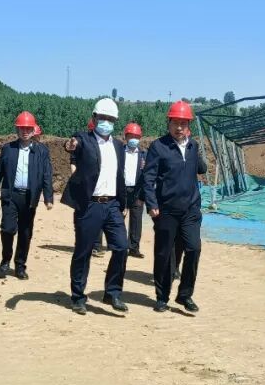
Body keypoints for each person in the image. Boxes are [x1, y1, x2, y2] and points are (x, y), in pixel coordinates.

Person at [62, 98, 129, 315]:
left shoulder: (118, 146)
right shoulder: (84, 139)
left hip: (112, 204)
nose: (106, 122)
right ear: (94, 118)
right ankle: (78, 297)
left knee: (121, 247)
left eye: (110, 119)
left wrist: (124, 203)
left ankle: (112, 292)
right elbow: (73, 144)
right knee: (83, 251)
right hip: (90, 205)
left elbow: (120, 176)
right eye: (102, 118)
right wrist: (70, 145)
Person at [142, 100, 206, 313]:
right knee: (164, 254)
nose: (179, 127)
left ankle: (185, 295)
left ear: (189, 125)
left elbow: (201, 169)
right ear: (168, 123)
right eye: (175, 123)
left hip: (190, 210)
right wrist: (151, 203)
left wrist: (197, 151)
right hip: (166, 210)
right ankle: (162, 297)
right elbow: (148, 177)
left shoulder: (193, 146)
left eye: (183, 123)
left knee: (194, 248)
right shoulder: (158, 147)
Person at [0, 111, 54, 279]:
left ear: (33, 130)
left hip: (30, 198)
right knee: (7, 229)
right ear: (17, 129)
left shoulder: (42, 151)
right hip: (11, 195)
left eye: (28, 128)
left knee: (25, 232)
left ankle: (20, 265)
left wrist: (48, 197)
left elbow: (47, 175)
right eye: (22, 128)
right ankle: (6, 259)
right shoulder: (8, 149)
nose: (25, 131)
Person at [121, 123, 147, 258]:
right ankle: (119, 245)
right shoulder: (119, 152)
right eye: (131, 136)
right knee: (119, 218)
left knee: (136, 220)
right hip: (122, 190)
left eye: (136, 137)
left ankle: (133, 248)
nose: (133, 139)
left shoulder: (144, 155)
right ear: (125, 137)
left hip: (137, 191)